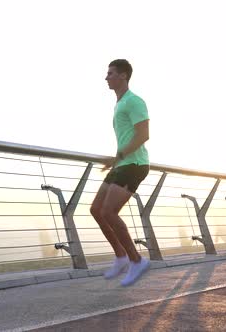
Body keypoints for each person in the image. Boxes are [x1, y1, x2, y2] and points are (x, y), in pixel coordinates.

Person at [90, 59, 151, 286]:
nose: (107, 77)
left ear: (123, 75)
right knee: (96, 210)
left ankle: (137, 260)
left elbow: (143, 135)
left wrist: (119, 157)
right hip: (121, 164)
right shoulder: (120, 103)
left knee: (109, 211)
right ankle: (121, 257)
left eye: (111, 73)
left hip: (134, 164)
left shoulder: (134, 101)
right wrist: (115, 160)